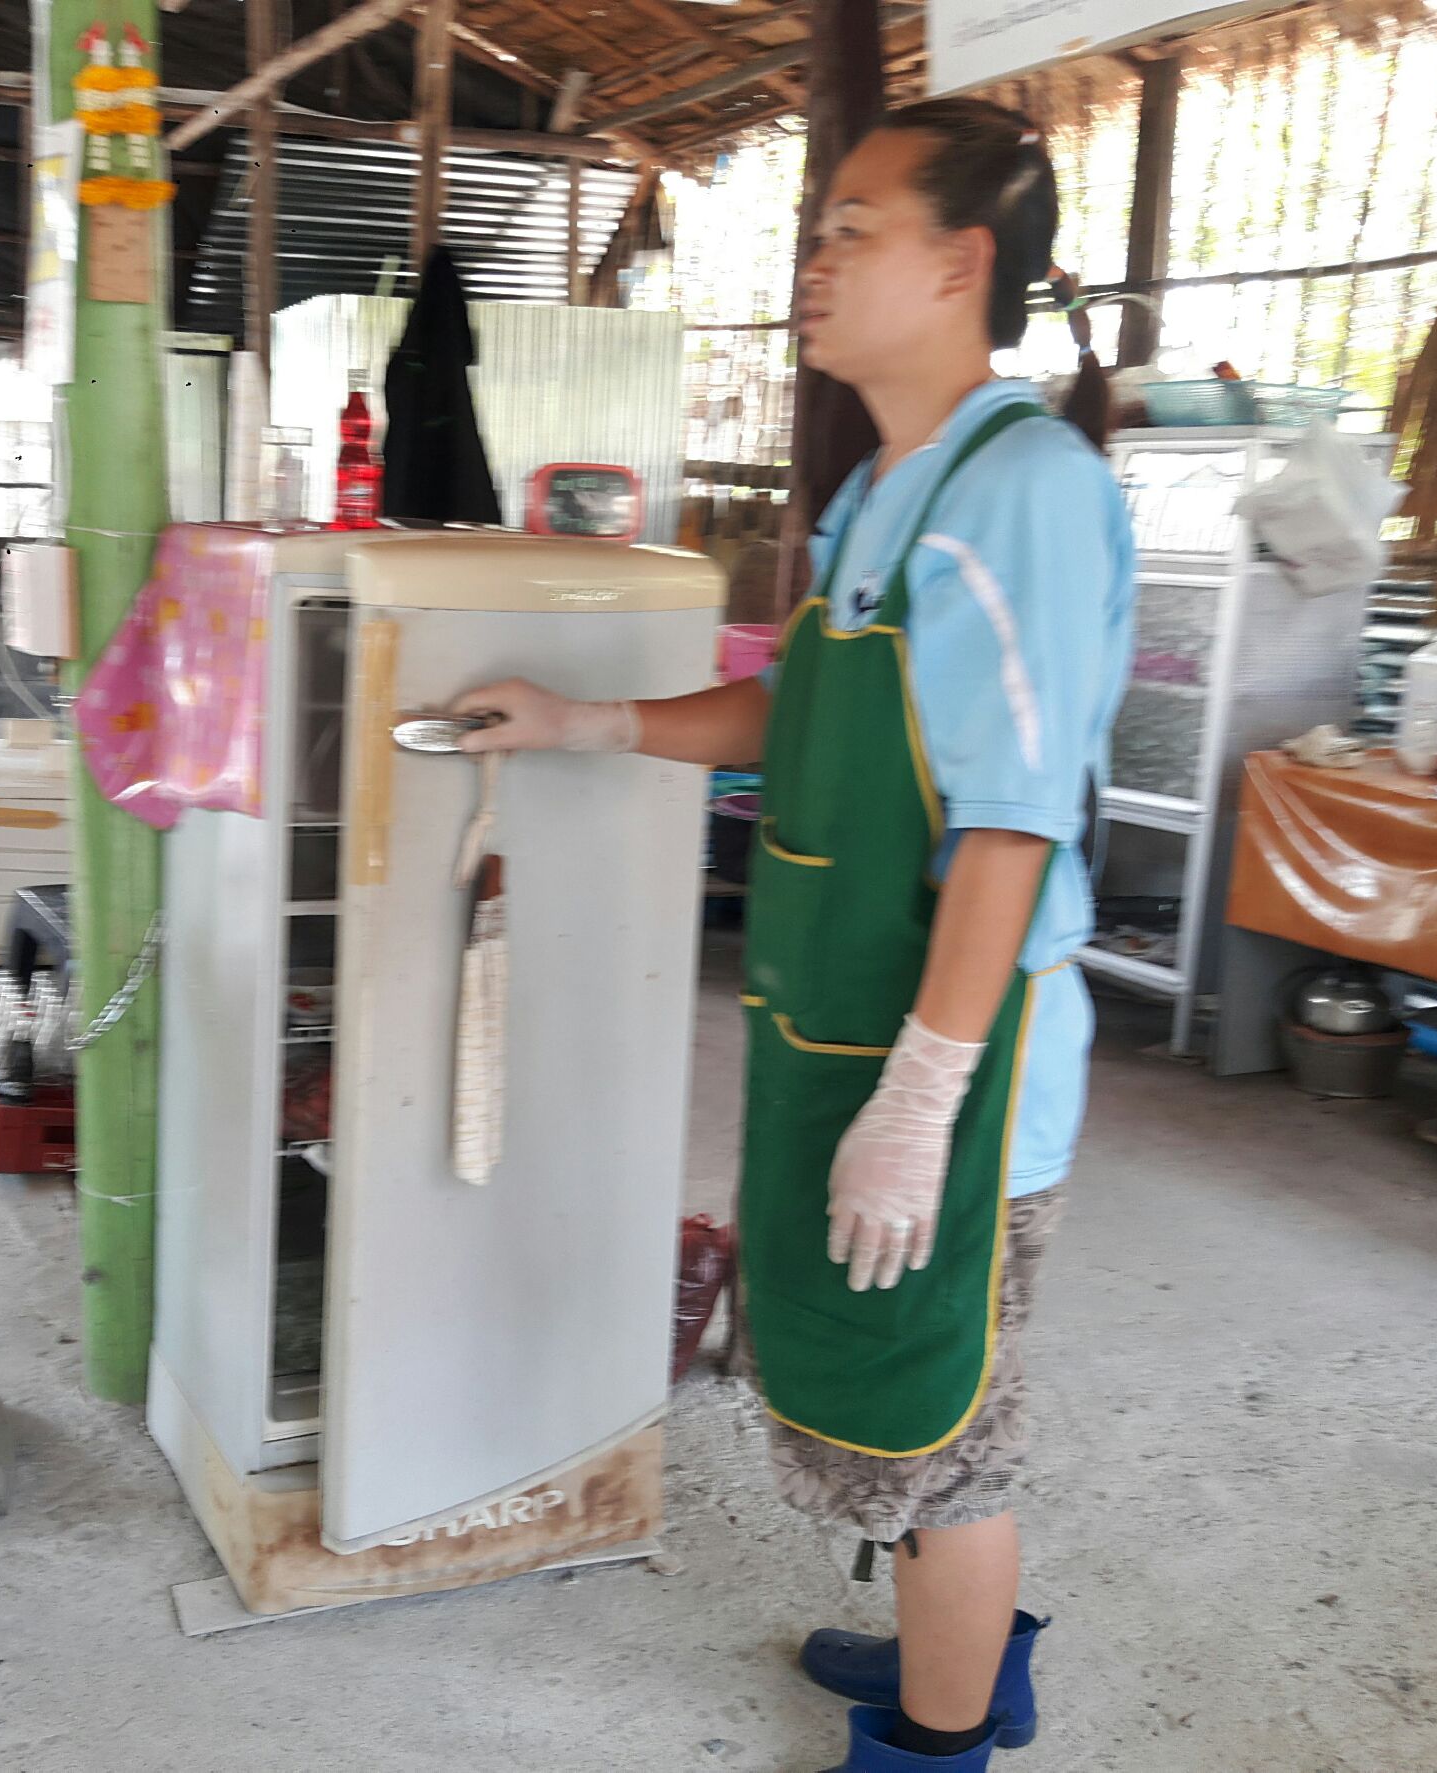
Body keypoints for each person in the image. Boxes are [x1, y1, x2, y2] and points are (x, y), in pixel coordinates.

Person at [457, 97, 1136, 1771]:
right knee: (880, 1389)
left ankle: (943, 1741)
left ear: (961, 263)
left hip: (959, 1061)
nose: (812, 263)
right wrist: (590, 723)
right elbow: (803, 709)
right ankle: (953, 1654)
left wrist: (922, 1098)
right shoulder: (887, 490)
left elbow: (1012, 824)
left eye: (850, 229)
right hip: (844, 1019)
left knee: (946, 1420)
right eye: (814, 231)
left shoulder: (1025, 489)